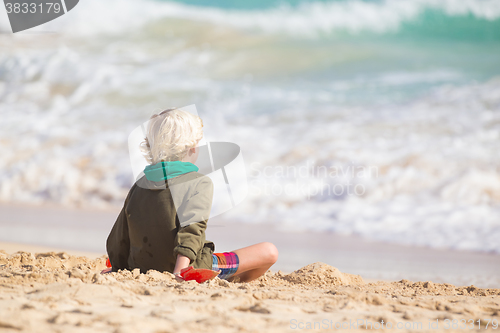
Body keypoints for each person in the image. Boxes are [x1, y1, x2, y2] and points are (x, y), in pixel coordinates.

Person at [106, 108, 278, 282]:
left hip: (141, 268)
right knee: (269, 251)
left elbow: (119, 236)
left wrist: (117, 268)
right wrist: (180, 272)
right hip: (186, 267)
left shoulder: (139, 185)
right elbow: (192, 230)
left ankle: (226, 279)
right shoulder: (198, 183)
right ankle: (231, 282)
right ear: (192, 148)